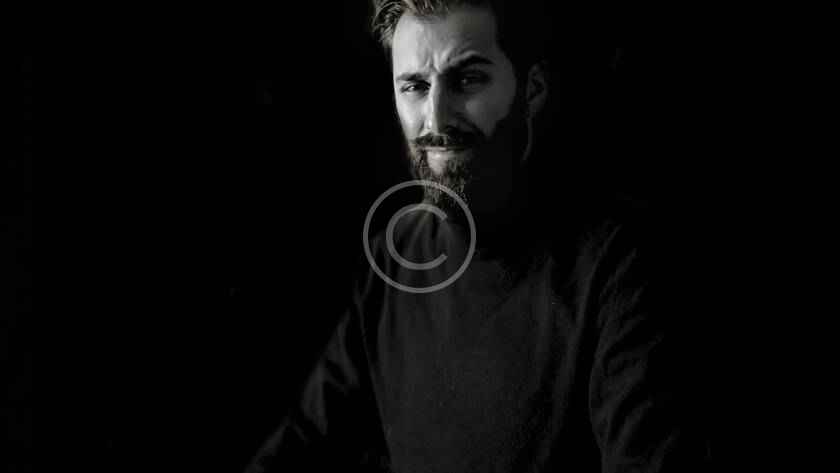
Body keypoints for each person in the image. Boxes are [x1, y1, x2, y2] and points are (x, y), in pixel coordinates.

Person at [245, 1, 708, 471]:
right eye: (414, 87)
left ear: (532, 90)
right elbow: (306, 438)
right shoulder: (397, 254)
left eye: (467, 80)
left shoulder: (617, 266)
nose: (435, 119)